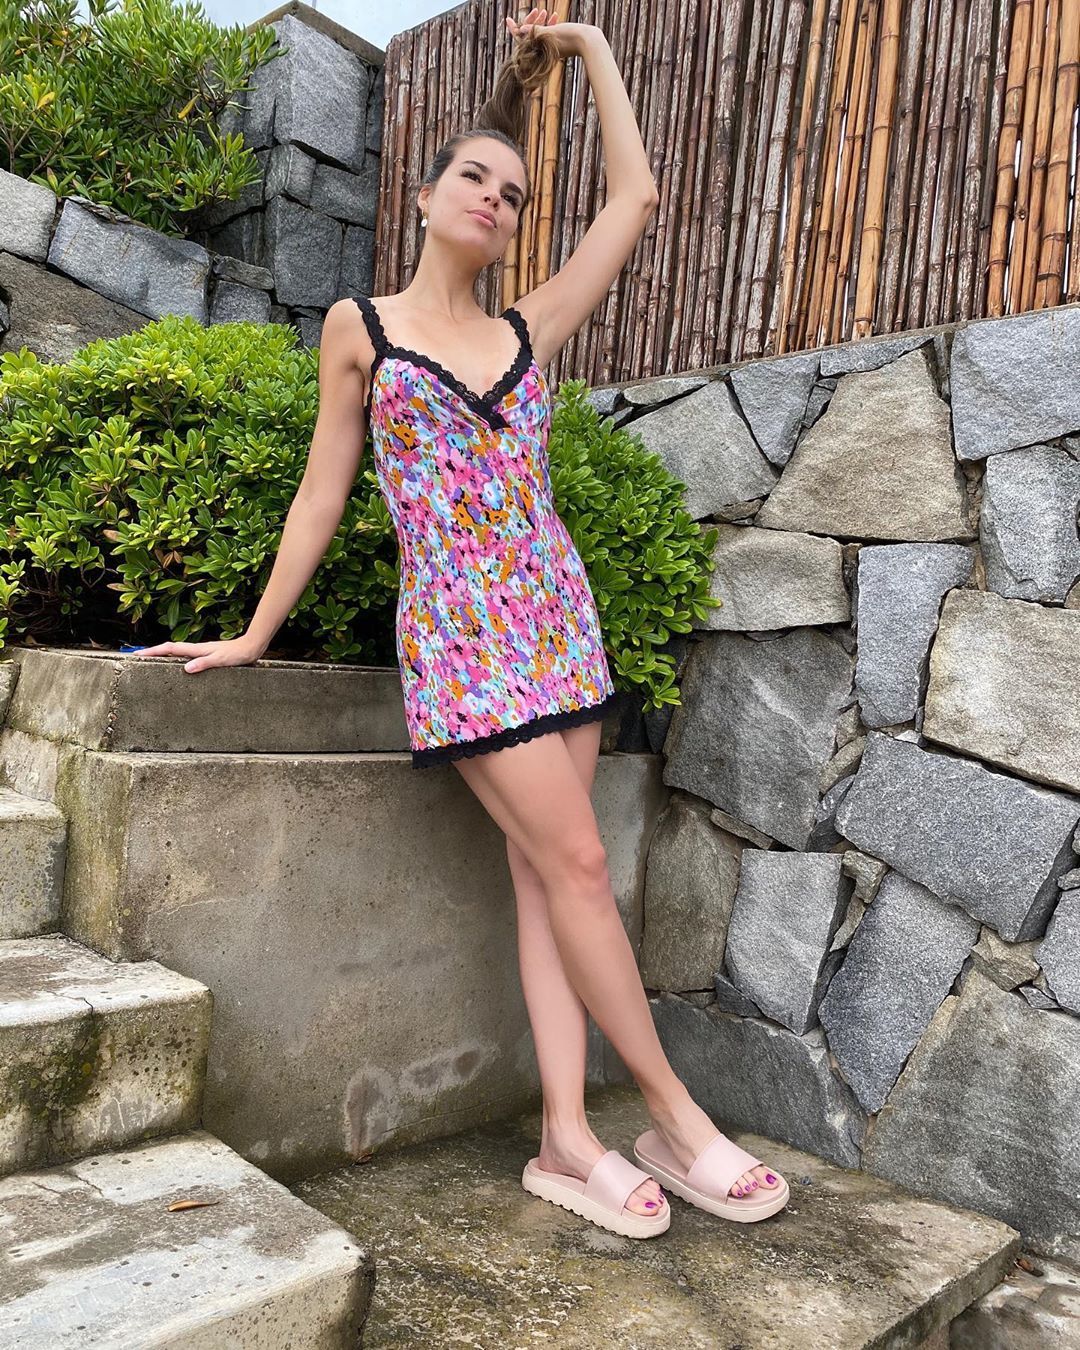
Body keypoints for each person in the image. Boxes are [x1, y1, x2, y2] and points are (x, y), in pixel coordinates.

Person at [134, 6, 788, 1239]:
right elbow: (322, 495)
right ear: (428, 196)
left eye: (515, 193)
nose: (495, 198)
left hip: (558, 622)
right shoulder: (363, 329)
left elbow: (636, 200)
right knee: (581, 865)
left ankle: (564, 1140)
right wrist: (256, 633)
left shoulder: (528, 328)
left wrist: (590, 50)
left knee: (549, 879)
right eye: (476, 178)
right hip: (461, 640)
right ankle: (674, 1116)